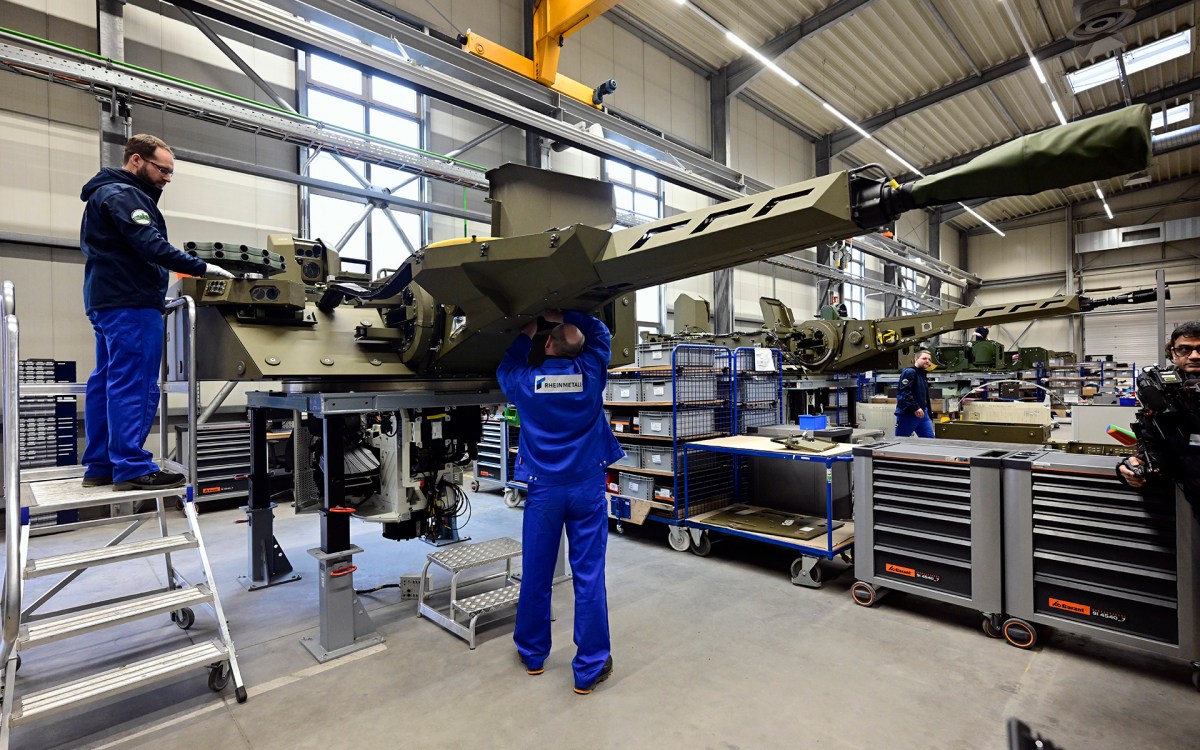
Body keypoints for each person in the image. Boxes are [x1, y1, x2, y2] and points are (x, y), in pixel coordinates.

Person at [79, 134, 234, 491]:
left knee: (106, 381)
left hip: (106, 301)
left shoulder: (105, 194)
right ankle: (132, 466)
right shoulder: (123, 194)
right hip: (131, 301)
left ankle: (101, 465)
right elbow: (150, 245)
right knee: (134, 383)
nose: (167, 178)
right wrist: (203, 268)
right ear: (136, 161)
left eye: (170, 172)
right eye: (162, 170)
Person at [497, 309, 623, 695]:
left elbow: (506, 367)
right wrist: (568, 315)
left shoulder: (526, 383)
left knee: (536, 573)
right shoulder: (591, 373)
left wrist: (528, 329)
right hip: (586, 487)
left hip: (544, 492)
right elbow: (600, 333)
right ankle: (589, 668)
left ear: (548, 345)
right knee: (588, 576)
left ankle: (533, 655)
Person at [1117, 321, 1200, 520]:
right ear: (1172, 353)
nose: (1195, 356)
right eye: (1184, 349)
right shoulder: (1164, 395)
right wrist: (1131, 466)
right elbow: (1156, 449)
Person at [895, 349, 935, 438]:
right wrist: (915, 407)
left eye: (929, 359)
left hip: (923, 414)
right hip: (909, 413)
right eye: (924, 358)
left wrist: (929, 414)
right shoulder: (910, 372)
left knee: (930, 441)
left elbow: (925, 397)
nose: (927, 361)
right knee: (901, 441)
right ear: (916, 359)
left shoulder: (923, 374)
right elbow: (904, 393)